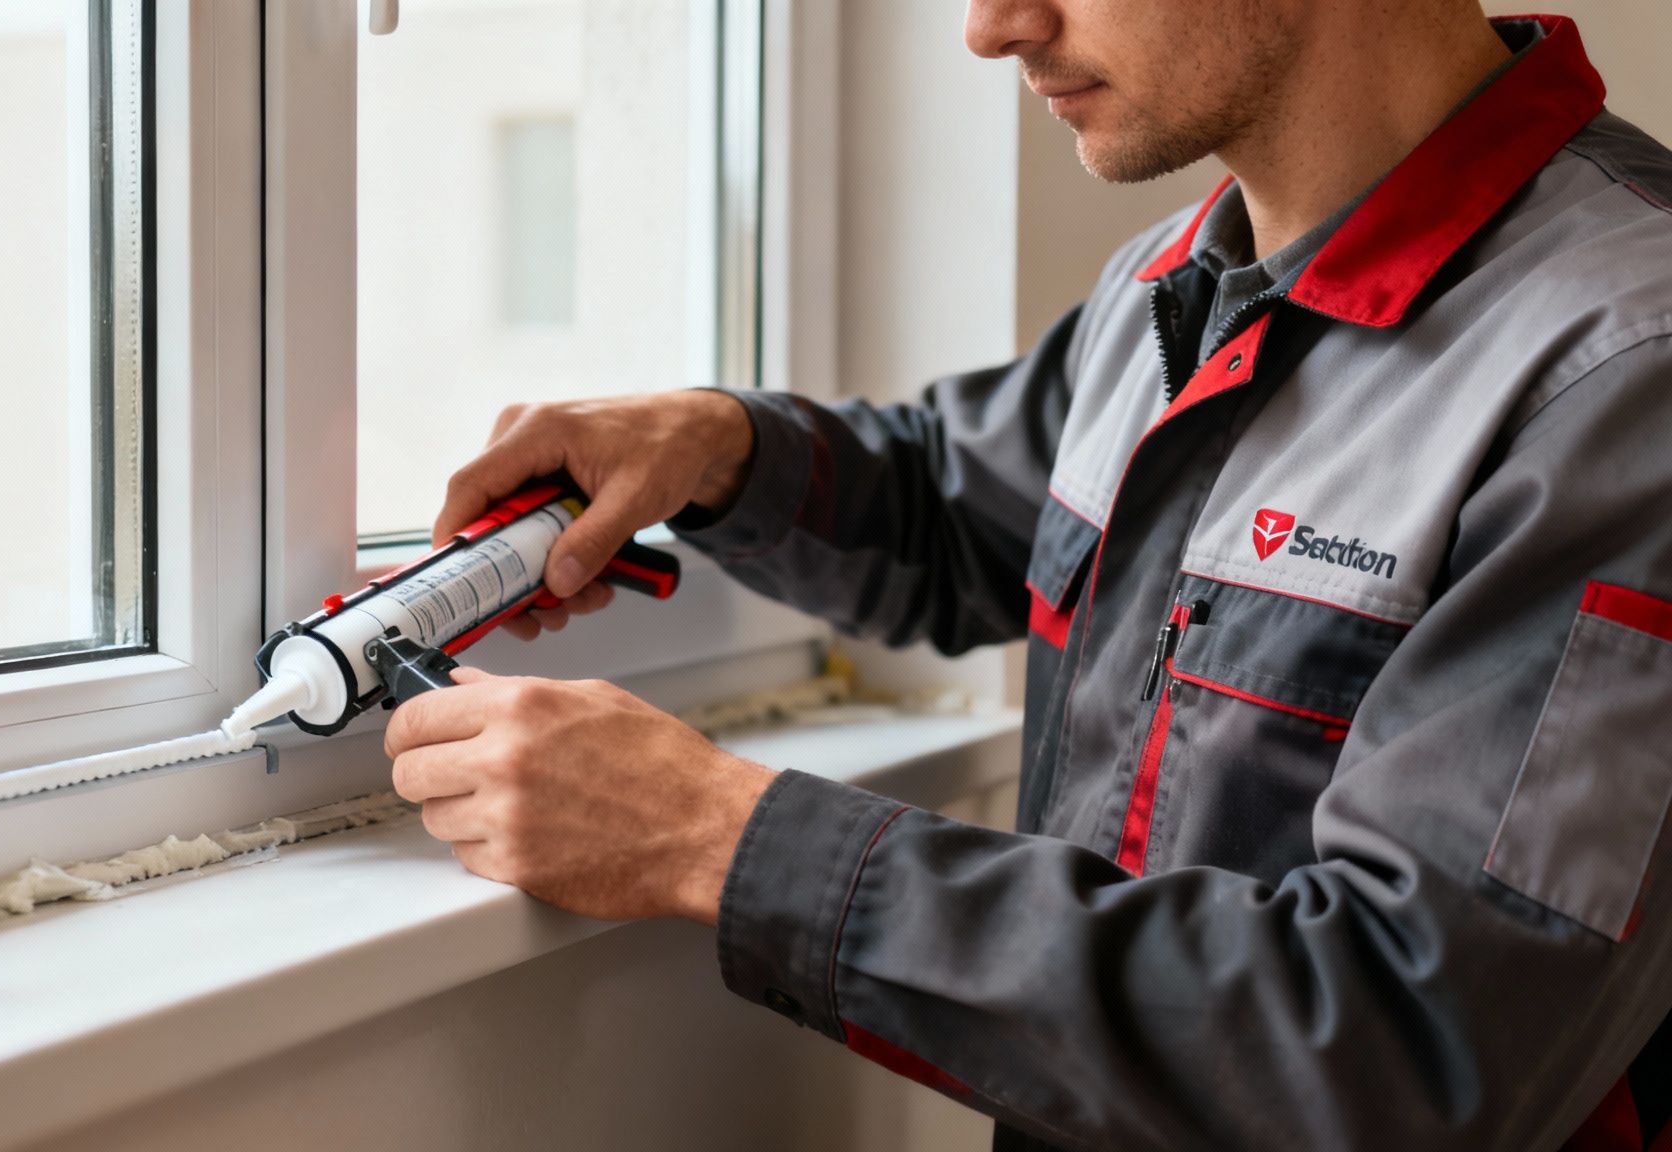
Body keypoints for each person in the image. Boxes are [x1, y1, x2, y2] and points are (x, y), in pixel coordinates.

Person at [383, 2, 1672, 1147]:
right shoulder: (1172, 287)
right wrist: (716, 447)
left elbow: (1408, 1049)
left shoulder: (1627, 371)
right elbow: (962, 511)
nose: (989, 27)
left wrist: (714, 836)